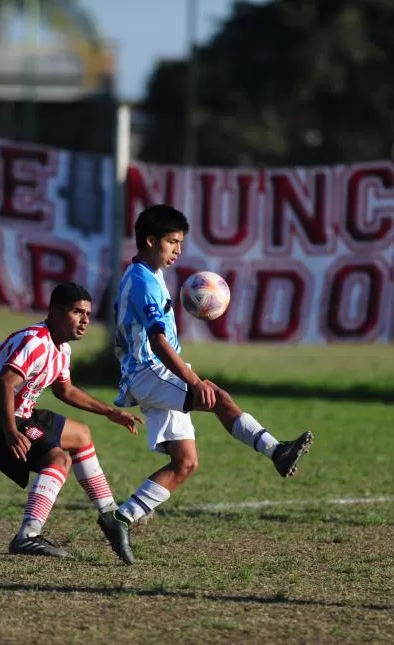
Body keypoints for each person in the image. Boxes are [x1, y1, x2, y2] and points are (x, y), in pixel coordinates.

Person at [102, 204, 315, 560]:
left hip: (154, 373)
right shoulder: (142, 281)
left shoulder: (148, 274)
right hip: (148, 372)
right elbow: (157, 341)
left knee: (185, 463)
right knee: (215, 394)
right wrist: (193, 379)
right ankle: (276, 451)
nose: (178, 250)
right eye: (172, 242)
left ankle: (122, 518)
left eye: (181, 243)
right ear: (150, 240)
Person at [0, 282, 142, 564]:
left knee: (81, 434)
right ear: (54, 313)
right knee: (58, 459)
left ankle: (110, 517)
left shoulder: (62, 350)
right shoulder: (34, 340)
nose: (84, 320)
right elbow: (4, 384)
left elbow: (66, 391)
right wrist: (10, 432)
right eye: (76, 312)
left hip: (20, 413)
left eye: (87, 313)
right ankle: (28, 535)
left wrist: (110, 412)